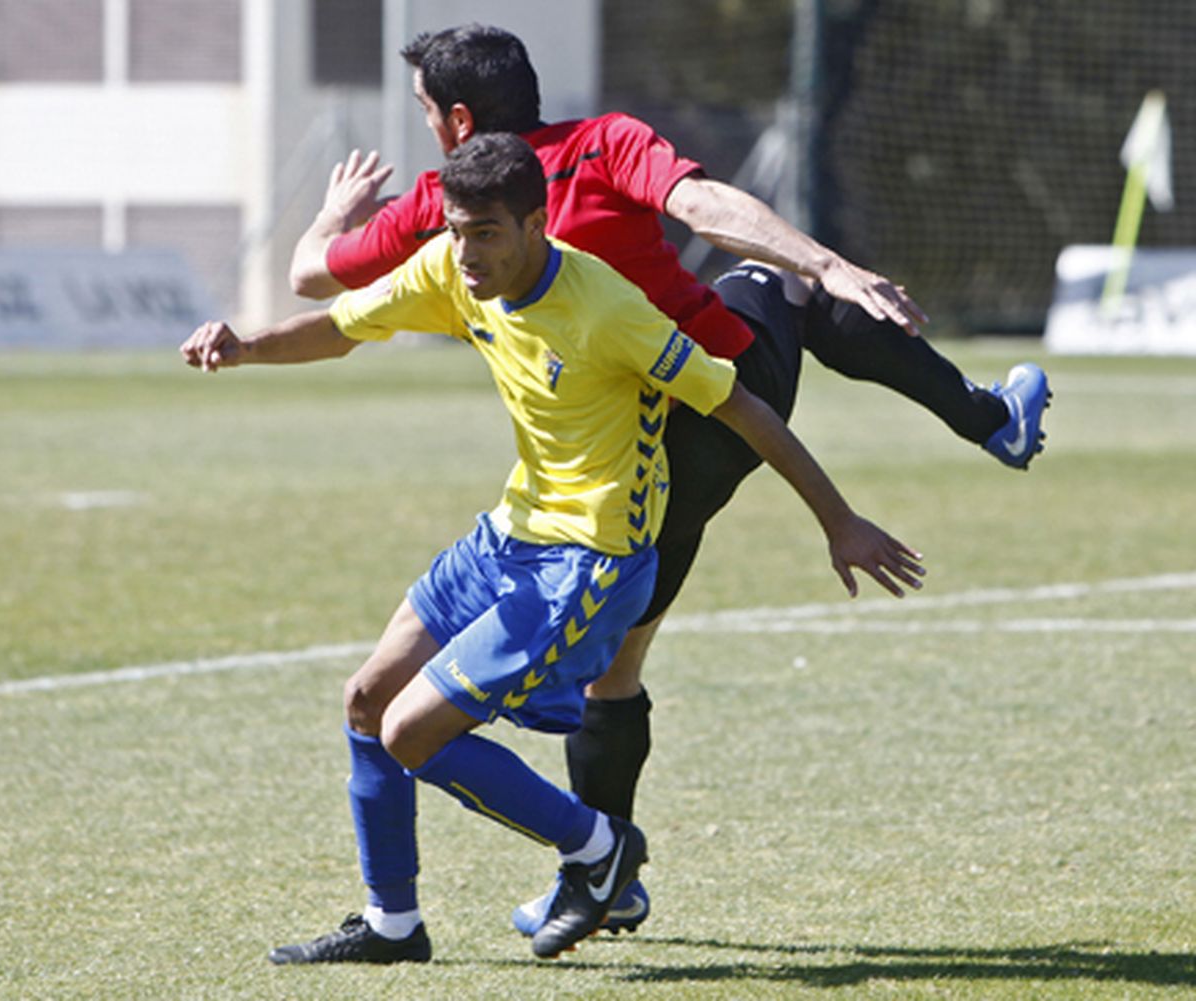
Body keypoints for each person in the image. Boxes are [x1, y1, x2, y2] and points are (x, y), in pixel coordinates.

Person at [286, 22, 1052, 936]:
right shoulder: (593, 146)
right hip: (700, 413)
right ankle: (990, 417)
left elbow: (308, 279)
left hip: (660, 434)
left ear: (455, 122)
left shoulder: (449, 203)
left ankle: (598, 869)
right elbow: (709, 207)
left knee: (613, 661)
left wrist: (336, 212)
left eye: (423, 113)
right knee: (785, 290)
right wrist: (826, 259)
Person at [182, 133, 925, 963]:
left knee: (410, 734)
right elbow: (343, 325)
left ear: (538, 224)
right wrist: (246, 347)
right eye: (457, 229)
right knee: (367, 700)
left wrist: (839, 520)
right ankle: (393, 922)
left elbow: (742, 406)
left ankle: (601, 848)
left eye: (487, 232)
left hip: (591, 560)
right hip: (511, 533)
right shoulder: (452, 270)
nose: (466, 253)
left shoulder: (606, 308)